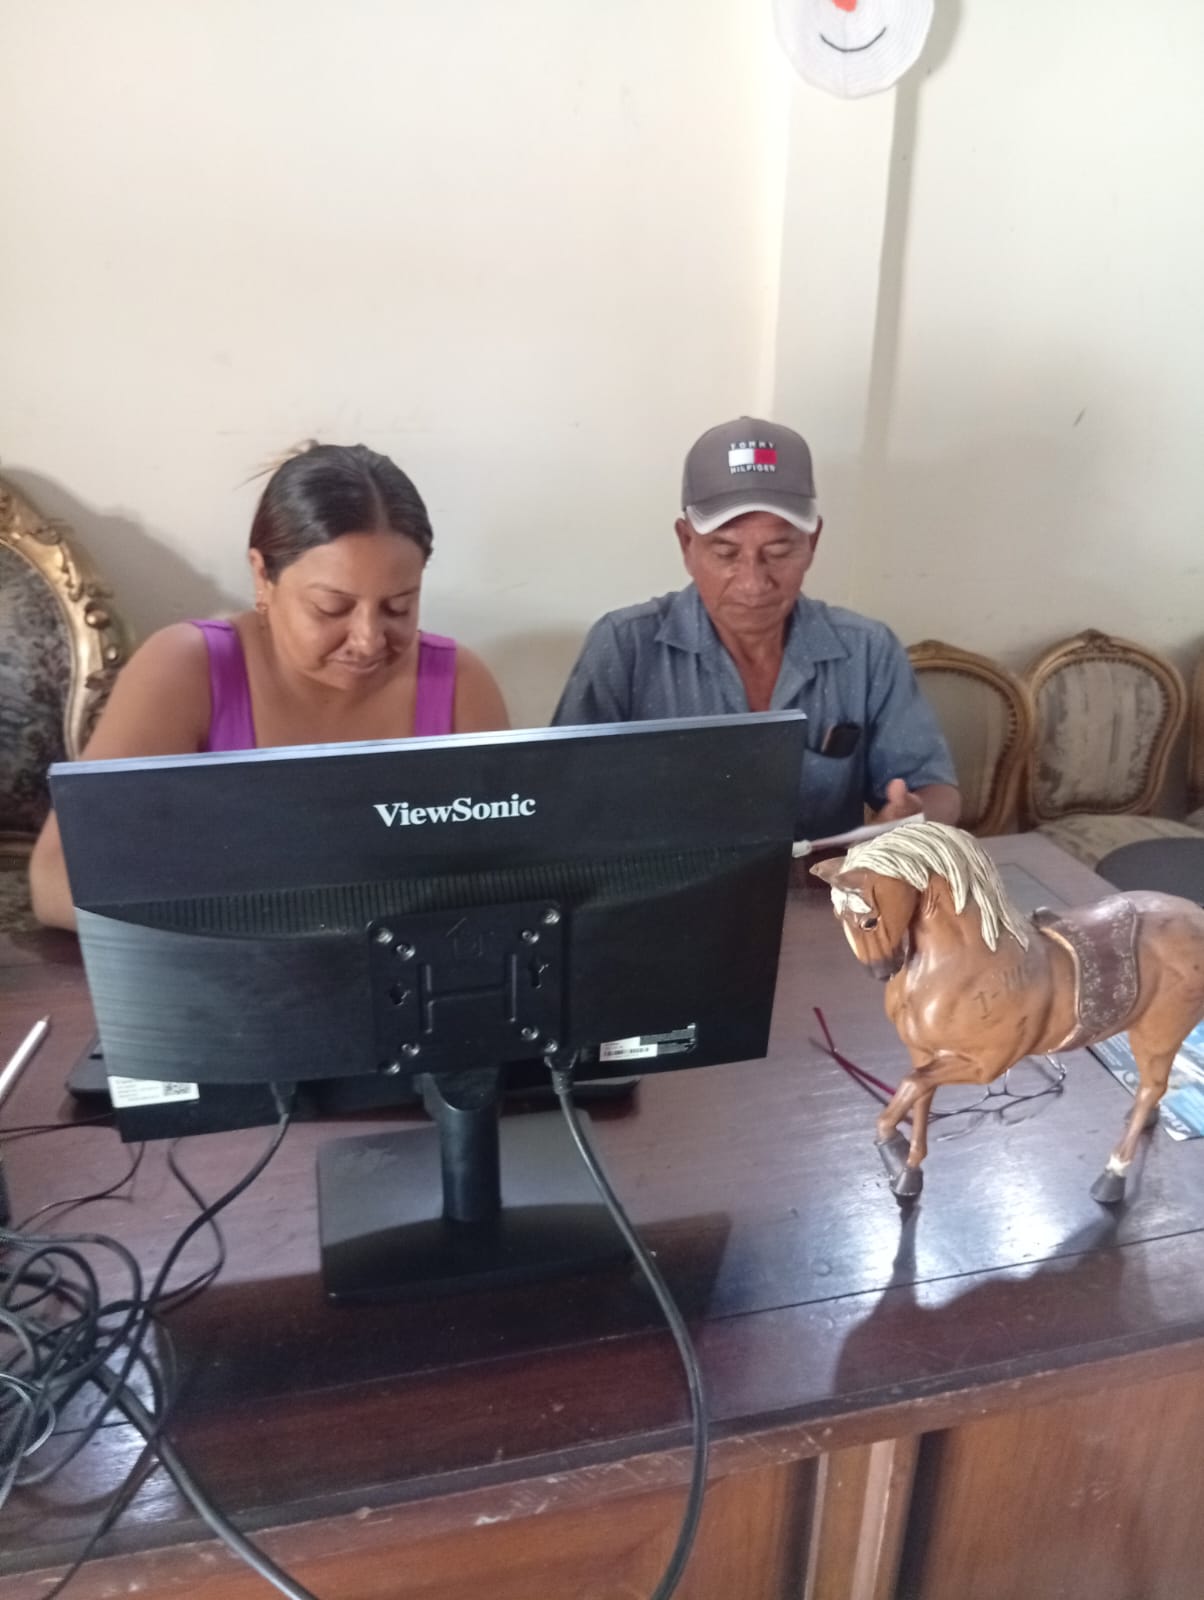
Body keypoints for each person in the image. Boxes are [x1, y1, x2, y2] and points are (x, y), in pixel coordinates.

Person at [30, 442, 508, 930]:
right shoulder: (187, 669)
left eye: (399, 607)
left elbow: (507, 877)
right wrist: (259, 926)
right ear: (263, 575)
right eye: (332, 608)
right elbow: (56, 880)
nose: (368, 640)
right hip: (224, 965)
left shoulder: (459, 685)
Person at [552, 416, 959, 841]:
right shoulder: (624, 647)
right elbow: (559, 799)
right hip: (663, 884)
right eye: (726, 553)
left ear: (812, 543)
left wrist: (912, 820)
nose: (753, 583)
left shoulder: (867, 649)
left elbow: (935, 787)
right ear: (686, 543)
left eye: (778, 551)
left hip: (825, 881)